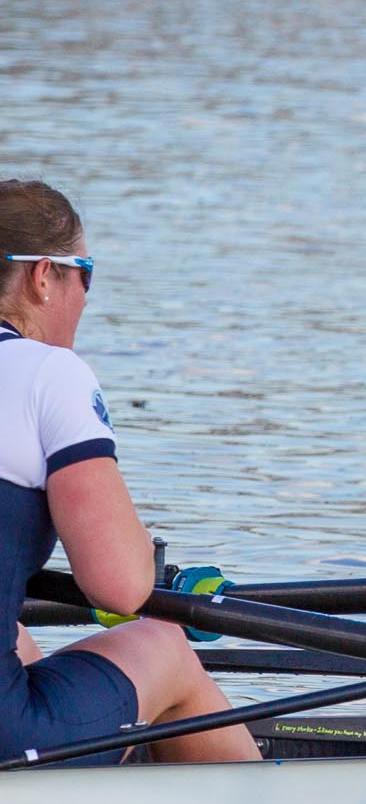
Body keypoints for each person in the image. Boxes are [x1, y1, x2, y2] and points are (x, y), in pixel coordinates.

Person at [0, 180, 257, 766]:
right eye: (83, 272)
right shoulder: (47, 372)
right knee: (163, 644)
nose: (87, 296)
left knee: (15, 637)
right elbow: (118, 585)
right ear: (44, 276)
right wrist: (152, 576)